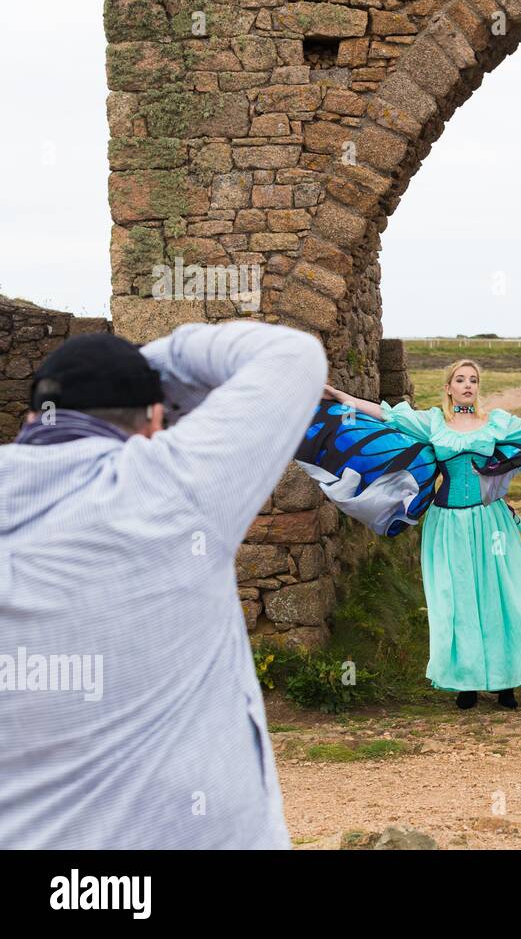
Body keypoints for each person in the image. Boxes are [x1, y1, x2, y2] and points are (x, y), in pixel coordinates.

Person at [0, 321, 326, 848]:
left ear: (34, 417)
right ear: (156, 416)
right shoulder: (169, 488)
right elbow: (292, 354)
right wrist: (145, 365)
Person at [323, 359, 521, 710]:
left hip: (490, 522)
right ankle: (465, 681)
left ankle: (506, 682)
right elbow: (387, 415)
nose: (468, 385)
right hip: (448, 523)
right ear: (449, 388)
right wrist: (340, 396)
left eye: (473, 380)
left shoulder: (495, 422)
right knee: (458, 598)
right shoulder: (434, 423)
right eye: (460, 379)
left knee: (499, 594)